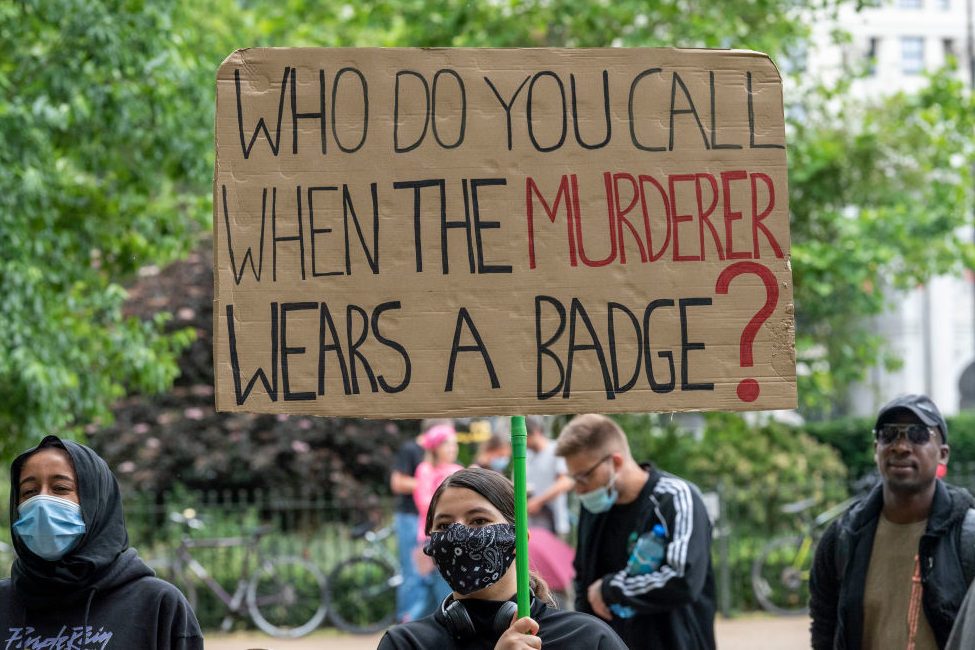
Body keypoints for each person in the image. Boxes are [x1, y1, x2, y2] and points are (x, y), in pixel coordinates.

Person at [379, 467, 628, 649]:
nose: (458, 534)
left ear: (518, 539)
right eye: (444, 525)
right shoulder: (406, 644)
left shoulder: (586, 638)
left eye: (478, 521)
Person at [0, 435, 203, 648]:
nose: (41, 502)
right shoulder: (4, 602)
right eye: (29, 491)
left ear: (97, 500)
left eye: (60, 488)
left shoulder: (158, 606)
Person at [810, 394, 975, 650]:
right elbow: (824, 629)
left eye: (918, 434)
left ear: (943, 455)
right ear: (876, 449)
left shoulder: (968, 537)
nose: (900, 446)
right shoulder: (842, 538)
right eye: (889, 434)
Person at [555, 414, 716, 650]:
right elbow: (584, 579)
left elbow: (683, 578)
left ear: (616, 462)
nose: (579, 490)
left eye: (584, 477)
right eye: (574, 479)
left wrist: (610, 589)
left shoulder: (674, 498)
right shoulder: (594, 508)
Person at [408, 421, 465, 622]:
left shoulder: (458, 469)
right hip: (431, 537)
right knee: (439, 588)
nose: (453, 448)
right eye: (447, 444)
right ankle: (433, 626)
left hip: (456, 537)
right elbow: (424, 503)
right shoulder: (425, 469)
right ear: (435, 447)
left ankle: (411, 626)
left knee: (436, 591)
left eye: (455, 443)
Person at [391, 420, 444, 623]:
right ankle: (406, 622)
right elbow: (397, 483)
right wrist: (430, 483)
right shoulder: (411, 450)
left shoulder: (436, 460)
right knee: (413, 573)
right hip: (411, 518)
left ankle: (421, 621)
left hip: (427, 520)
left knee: (429, 578)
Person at [524, 416, 573, 536]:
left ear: (535, 432)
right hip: (533, 524)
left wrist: (538, 502)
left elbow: (565, 482)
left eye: (524, 438)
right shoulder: (526, 456)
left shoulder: (556, 450)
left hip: (554, 521)